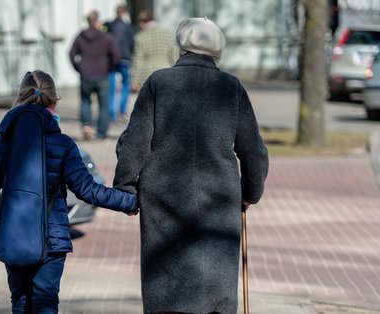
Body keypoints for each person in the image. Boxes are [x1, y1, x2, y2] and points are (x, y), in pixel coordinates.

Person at [113, 18, 269, 314]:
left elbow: (135, 142)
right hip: (219, 199)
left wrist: (125, 188)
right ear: (216, 52)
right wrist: (250, 192)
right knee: (215, 289)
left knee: (167, 289)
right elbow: (253, 151)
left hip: (164, 197)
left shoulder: (158, 83)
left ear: (181, 47)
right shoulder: (230, 87)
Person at [0, 70, 138, 314]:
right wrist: (130, 202)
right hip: (52, 240)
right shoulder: (62, 143)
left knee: (19, 302)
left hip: (15, 236)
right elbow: (87, 190)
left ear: (20, 99)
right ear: (54, 103)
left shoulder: (3, 142)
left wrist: (8, 217)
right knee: (45, 303)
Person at [70, 10, 121, 140]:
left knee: (85, 101)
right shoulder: (107, 37)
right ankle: (101, 133)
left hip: (85, 74)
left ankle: (87, 125)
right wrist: (109, 68)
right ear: (97, 21)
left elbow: (71, 54)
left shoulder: (81, 36)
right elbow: (116, 56)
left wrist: (79, 68)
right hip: (102, 74)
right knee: (103, 105)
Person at [130, 10, 178, 92]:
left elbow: (138, 61)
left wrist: (135, 81)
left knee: (149, 103)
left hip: (147, 75)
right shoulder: (168, 35)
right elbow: (174, 56)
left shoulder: (140, 37)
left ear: (142, 22)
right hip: (166, 71)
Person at [105, 4, 135, 122]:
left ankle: (112, 114)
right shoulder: (129, 27)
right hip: (125, 59)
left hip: (112, 59)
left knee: (111, 87)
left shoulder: (109, 25)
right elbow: (132, 44)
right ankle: (122, 111)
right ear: (125, 13)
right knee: (126, 85)